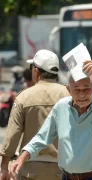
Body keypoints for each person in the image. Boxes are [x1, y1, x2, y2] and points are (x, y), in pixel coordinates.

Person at [9, 60, 92, 180]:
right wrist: (21, 158)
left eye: (87, 89)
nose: (82, 94)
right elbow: (42, 137)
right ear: (68, 89)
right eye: (77, 89)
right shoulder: (61, 107)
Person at [0, 49, 70, 180]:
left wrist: (4, 167)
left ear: (36, 71)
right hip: (64, 168)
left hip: (30, 167)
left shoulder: (24, 97)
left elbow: (12, 135)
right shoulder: (69, 95)